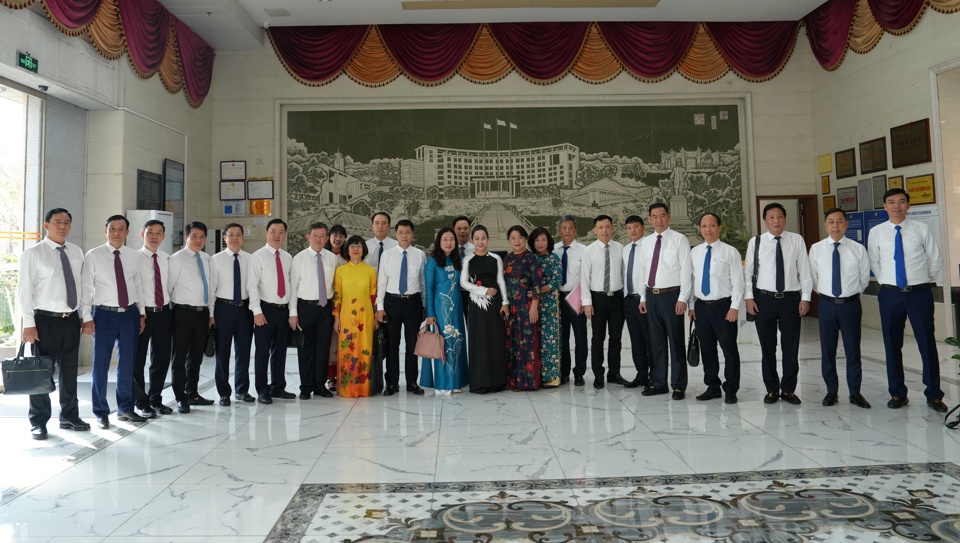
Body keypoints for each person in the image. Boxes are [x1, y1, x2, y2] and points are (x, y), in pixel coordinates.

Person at [867, 189, 948, 413]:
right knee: (892, 344)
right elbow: (874, 261)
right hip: (890, 294)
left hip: (919, 293)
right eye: (891, 202)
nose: (896, 206)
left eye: (901, 202)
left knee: (926, 343)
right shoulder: (877, 232)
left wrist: (924, 280)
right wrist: (888, 282)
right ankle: (897, 393)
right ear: (884, 206)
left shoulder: (922, 229)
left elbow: (935, 258)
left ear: (908, 206)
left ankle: (934, 395)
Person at [18, 208, 88, 440]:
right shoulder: (34, 253)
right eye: (57, 222)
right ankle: (38, 421)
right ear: (46, 225)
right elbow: (24, 290)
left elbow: (84, 288)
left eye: (67, 222)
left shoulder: (77, 252)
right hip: (44, 321)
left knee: (69, 371)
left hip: (71, 320)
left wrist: (84, 316)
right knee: (41, 372)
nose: (62, 226)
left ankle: (69, 416)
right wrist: (28, 323)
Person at [81, 214, 147, 429]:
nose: (116, 232)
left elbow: (138, 286)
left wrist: (142, 313)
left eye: (121, 229)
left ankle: (125, 409)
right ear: (105, 231)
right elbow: (86, 289)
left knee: (127, 364)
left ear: (127, 232)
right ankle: (101, 412)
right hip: (104, 314)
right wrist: (87, 318)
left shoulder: (133, 256)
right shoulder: (94, 255)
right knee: (100, 365)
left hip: (129, 314)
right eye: (112, 228)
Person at [745, 203, 812, 406]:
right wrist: (749, 297)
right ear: (765, 220)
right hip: (763, 299)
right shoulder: (756, 242)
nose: (776, 221)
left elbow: (805, 270)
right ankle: (772, 389)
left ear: (785, 219)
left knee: (790, 346)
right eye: (772, 217)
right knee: (767, 347)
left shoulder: (796, 240)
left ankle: (789, 389)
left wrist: (806, 297)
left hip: (791, 299)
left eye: (780, 217)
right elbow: (748, 272)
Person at [810, 208, 871, 409]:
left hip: (851, 305)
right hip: (827, 305)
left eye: (839, 221)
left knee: (853, 350)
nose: (835, 226)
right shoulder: (816, 249)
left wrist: (850, 295)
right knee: (828, 350)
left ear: (846, 224)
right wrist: (828, 296)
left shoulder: (857, 249)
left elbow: (863, 279)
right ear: (825, 225)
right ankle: (831, 391)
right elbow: (814, 278)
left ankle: (855, 392)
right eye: (831, 222)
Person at [638, 203, 692, 400]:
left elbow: (686, 270)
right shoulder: (646, 242)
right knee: (656, 343)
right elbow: (643, 270)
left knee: (676, 341)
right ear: (650, 219)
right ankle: (659, 383)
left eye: (662, 216)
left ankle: (678, 385)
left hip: (672, 296)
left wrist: (683, 298)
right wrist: (643, 296)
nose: (658, 220)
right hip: (652, 295)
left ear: (668, 217)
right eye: (654, 216)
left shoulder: (679, 239)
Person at [689, 212, 743, 404]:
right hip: (702, 307)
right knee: (707, 348)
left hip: (724, 307)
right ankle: (712, 386)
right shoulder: (694, 252)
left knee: (729, 348)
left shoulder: (730, 252)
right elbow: (692, 281)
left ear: (719, 228)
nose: (708, 229)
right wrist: (692, 305)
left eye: (712, 225)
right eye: (704, 226)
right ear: (700, 229)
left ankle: (731, 388)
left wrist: (734, 307)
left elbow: (738, 282)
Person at [168, 221, 217, 413]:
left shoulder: (207, 258)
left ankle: (193, 393)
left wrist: (211, 313)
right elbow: (169, 287)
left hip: (202, 313)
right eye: (194, 236)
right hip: (182, 312)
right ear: (186, 237)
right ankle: (181, 398)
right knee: (179, 357)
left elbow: (211, 288)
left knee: (196, 357)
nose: (198, 240)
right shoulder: (176, 258)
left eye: (202, 236)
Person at [376, 219, 426, 396]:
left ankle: (412, 382)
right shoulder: (387, 255)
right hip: (392, 302)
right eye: (401, 232)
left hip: (413, 302)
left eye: (408, 232)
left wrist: (424, 305)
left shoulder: (420, 254)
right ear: (395, 234)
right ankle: (392, 383)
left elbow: (422, 282)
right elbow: (382, 282)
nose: (404, 235)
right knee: (392, 345)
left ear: (412, 234)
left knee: (413, 344)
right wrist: (380, 307)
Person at [289, 222, 338, 399]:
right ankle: (305, 387)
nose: (318, 239)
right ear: (308, 237)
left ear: (327, 238)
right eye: (315, 235)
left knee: (323, 348)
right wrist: (293, 313)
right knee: (305, 349)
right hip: (305, 308)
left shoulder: (332, 258)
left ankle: (319, 385)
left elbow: (335, 286)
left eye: (322, 236)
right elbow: (293, 287)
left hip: (325, 309)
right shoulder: (299, 259)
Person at [248, 218, 295, 404]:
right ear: (267, 233)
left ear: (284, 235)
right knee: (262, 352)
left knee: (280, 351)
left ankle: (278, 387)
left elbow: (290, 286)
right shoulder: (257, 256)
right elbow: (252, 286)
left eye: (281, 232)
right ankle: (262, 389)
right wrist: (256, 311)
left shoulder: (287, 257)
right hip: (264, 310)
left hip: (283, 311)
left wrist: (292, 312)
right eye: (273, 231)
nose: (277, 235)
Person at [460, 225, 509, 394]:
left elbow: (501, 281)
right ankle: (479, 381)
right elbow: (463, 283)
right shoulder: (467, 259)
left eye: (483, 238)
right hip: (476, 304)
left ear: (488, 239)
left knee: (495, 339)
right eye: (477, 239)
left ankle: (497, 381)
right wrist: (483, 291)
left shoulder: (496, 258)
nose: (480, 242)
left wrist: (505, 302)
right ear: (472, 240)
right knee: (479, 341)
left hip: (495, 305)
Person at [420, 227, 468, 394]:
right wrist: (430, 314)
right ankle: (442, 384)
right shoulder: (432, 262)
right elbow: (429, 289)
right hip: (441, 310)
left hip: (457, 308)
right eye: (445, 240)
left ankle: (455, 382)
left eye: (451, 240)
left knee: (457, 342)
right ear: (439, 242)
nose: (448, 243)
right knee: (444, 344)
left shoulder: (458, 259)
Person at [580, 215, 626, 389]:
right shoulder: (589, 250)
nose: (604, 230)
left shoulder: (620, 248)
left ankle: (614, 373)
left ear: (613, 228)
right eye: (600, 227)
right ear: (595, 230)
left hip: (617, 298)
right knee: (597, 338)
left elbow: (623, 274)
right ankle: (598, 375)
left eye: (607, 227)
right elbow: (584, 279)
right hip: (597, 299)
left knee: (616, 338)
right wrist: (587, 303)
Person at [133, 219, 173, 418]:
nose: (154, 236)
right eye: (150, 232)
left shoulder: (166, 258)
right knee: (138, 359)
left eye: (159, 233)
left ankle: (156, 399)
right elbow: (135, 288)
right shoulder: (134, 258)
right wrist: (140, 313)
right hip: (142, 314)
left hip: (163, 313)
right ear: (142, 234)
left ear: (164, 237)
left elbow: (170, 286)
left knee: (161, 358)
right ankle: (141, 402)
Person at [210, 223, 254, 405]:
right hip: (223, 309)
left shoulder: (251, 259)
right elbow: (212, 288)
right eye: (231, 235)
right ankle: (223, 392)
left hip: (245, 309)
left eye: (238, 234)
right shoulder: (216, 259)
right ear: (224, 237)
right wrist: (211, 314)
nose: (235, 238)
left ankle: (242, 390)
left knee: (243, 351)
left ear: (243, 237)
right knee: (223, 352)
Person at [333, 235, 378, 398]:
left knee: (364, 350)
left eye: (358, 246)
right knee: (348, 350)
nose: (355, 249)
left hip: (366, 317)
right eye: (352, 246)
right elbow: (337, 296)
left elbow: (374, 297)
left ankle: (363, 388)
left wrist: (376, 317)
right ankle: (347, 388)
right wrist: (336, 318)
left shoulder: (370, 271)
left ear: (364, 249)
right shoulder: (341, 271)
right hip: (346, 317)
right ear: (347, 249)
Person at [504, 225, 543, 391]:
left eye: (520, 237)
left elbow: (537, 283)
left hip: (526, 307)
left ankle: (527, 382)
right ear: (509, 240)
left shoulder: (531, 258)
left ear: (525, 239)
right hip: (511, 307)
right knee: (512, 343)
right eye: (513, 238)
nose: (516, 241)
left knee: (526, 344)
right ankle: (513, 381)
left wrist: (534, 306)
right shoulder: (508, 258)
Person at [554, 215, 587, 386]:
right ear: (559, 230)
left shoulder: (584, 250)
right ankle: (564, 372)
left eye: (570, 228)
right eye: (564, 228)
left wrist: (584, 299)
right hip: (558, 298)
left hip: (577, 297)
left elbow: (587, 277)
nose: (567, 231)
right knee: (562, 338)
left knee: (581, 337)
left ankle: (579, 373)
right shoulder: (553, 250)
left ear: (576, 230)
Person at [621, 215, 652, 389]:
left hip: (644, 299)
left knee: (649, 339)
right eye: (629, 227)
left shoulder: (649, 247)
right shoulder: (626, 249)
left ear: (643, 227)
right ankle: (641, 375)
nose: (632, 230)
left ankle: (654, 376)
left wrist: (644, 297)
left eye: (635, 226)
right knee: (636, 340)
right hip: (628, 300)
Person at [529, 227, 561, 387]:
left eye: (543, 240)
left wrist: (538, 290)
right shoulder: (530, 258)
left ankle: (551, 377)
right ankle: (535, 375)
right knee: (534, 339)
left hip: (549, 303)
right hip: (531, 303)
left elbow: (557, 280)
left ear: (548, 241)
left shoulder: (553, 258)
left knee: (549, 341)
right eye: (537, 240)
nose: (540, 243)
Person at [322, 223, 348, 391]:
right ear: (328, 237)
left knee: (341, 340)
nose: (337, 239)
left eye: (341, 236)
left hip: (345, 305)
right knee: (328, 341)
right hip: (326, 303)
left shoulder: (347, 258)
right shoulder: (322, 256)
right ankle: (330, 377)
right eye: (334, 235)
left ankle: (343, 373)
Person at [452, 216, 474, 321]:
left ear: (470, 229)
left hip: (471, 294)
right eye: (459, 228)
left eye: (465, 228)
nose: (462, 231)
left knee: (472, 325)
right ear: (453, 230)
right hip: (453, 293)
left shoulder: (476, 250)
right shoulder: (448, 251)